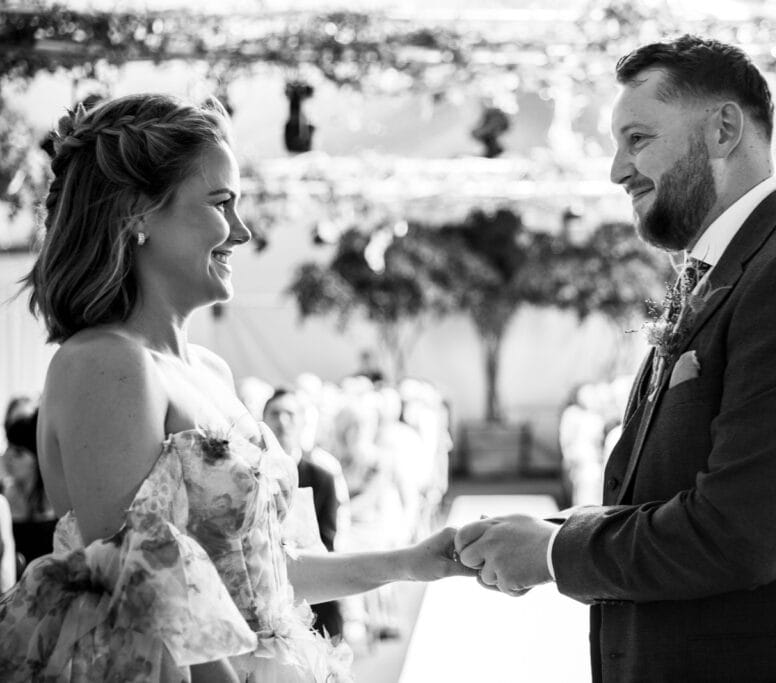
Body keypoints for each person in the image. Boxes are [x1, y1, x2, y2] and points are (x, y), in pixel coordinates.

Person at [455, 35, 776, 682]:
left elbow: (738, 535)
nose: (617, 170)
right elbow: (667, 492)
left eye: (637, 139)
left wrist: (554, 551)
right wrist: (545, 528)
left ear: (723, 128)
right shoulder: (718, 273)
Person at [0, 93, 473, 682]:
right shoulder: (104, 363)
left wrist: (417, 560)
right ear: (136, 214)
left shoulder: (210, 370)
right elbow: (140, 606)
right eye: (222, 204)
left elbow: (271, 571)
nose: (243, 233)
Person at [263, 387, 344, 638]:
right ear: (264, 420)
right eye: (275, 414)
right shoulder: (252, 472)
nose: (282, 421)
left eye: (290, 414)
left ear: (302, 423)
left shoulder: (322, 477)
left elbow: (328, 539)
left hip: (312, 589)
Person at [1, 399, 57, 573]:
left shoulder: (57, 501)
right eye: (8, 447)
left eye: (18, 453)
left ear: (36, 460)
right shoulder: (3, 497)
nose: (8, 456)